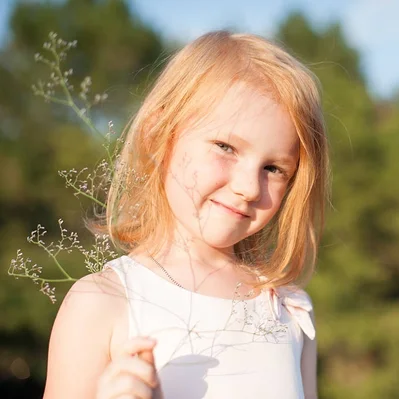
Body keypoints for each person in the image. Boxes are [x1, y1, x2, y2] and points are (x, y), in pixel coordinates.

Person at [43, 30, 329, 399]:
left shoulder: (288, 309)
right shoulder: (101, 302)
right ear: (158, 135)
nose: (249, 187)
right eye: (226, 147)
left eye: (273, 169)